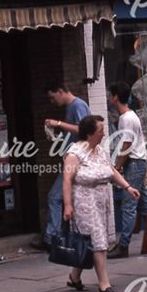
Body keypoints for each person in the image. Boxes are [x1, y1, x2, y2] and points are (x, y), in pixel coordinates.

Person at [63, 115, 140, 292]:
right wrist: (67, 205)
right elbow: (67, 180)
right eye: (100, 131)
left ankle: (74, 277)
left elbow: (112, 171)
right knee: (98, 242)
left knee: (90, 241)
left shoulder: (99, 150)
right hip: (84, 202)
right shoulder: (75, 153)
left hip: (101, 202)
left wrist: (127, 187)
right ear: (90, 134)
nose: (104, 133)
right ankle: (104, 285)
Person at [39, 82, 90, 250]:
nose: (52, 102)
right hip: (73, 160)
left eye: (53, 97)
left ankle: (52, 238)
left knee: (55, 197)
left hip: (77, 162)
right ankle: (63, 238)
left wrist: (58, 124)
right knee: (68, 199)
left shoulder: (78, 105)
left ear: (60, 91)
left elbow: (84, 130)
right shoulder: (71, 108)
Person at [106, 82, 147, 259]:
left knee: (128, 205)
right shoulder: (128, 116)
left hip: (135, 163)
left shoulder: (126, 118)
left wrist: (117, 166)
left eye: (110, 95)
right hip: (138, 163)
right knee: (145, 205)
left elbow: (127, 145)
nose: (108, 98)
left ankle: (123, 246)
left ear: (116, 97)